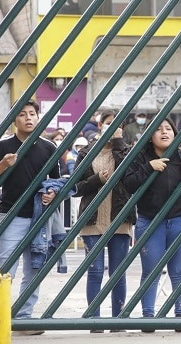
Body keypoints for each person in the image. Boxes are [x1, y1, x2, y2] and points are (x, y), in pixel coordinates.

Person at [0, 100, 60, 333]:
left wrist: (52, 193)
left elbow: (56, 181)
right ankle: (0, 318)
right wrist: (3, 165)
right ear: (14, 120)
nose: (28, 118)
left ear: (38, 117)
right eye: (22, 114)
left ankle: (24, 318)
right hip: (11, 215)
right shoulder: (4, 145)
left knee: (34, 270)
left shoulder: (48, 147)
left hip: (39, 216)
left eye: (32, 114)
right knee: (5, 269)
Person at [123, 117, 181, 332]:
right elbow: (128, 184)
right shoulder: (140, 157)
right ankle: (148, 316)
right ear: (150, 136)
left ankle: (180, 315)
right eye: (158, 129)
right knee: (151, 271)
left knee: (179, 271)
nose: (164, 132)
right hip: (150, 221)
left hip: (180, 220)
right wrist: (149, 168)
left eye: (168, 128)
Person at [73, 109, 135, 331]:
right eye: (109, 123)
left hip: (120, 219)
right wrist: (97, 179)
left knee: (118, 273)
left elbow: (131, 178)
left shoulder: (126, 151)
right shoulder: (86, 152)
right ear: (100, 126)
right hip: (93, 221)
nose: (113, 128)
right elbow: (76, 187)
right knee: (95, 271)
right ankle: (95, 320)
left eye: (118, 125)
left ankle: (118, 320)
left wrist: (118, 144)